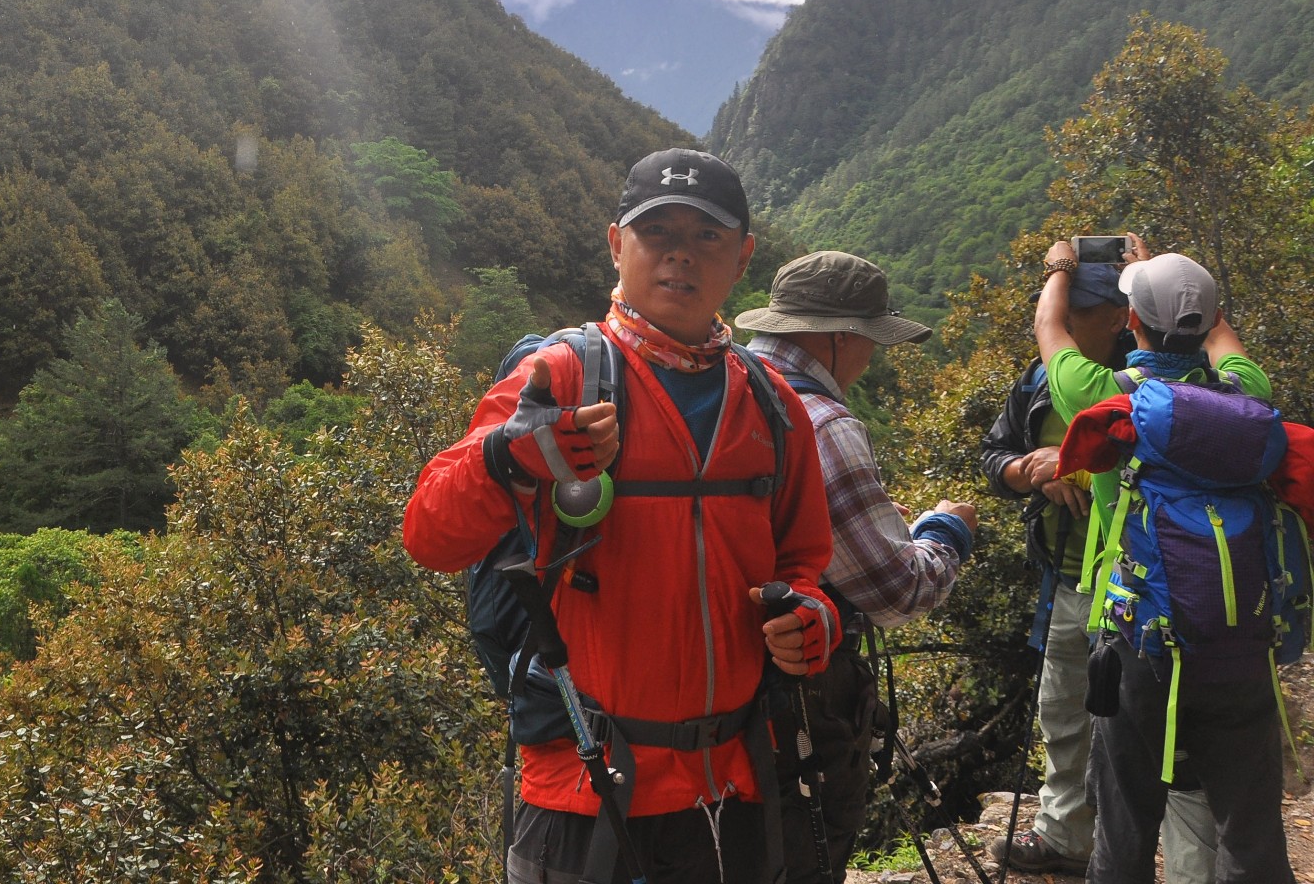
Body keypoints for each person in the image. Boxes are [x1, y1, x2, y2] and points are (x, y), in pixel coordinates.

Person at [403, 148, 839, 884]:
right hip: (586, 786)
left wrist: (812, 619)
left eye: (706, 236)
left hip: (734, 783)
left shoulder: (772, 403)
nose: (679, 255)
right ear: (616, 245)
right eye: (655, 232)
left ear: (743, 257)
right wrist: (509, 460)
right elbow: (429, 533)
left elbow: (804, 560)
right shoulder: (563, 376)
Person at [1047, 249, 1292, 884]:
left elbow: (1050, 328)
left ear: (1131, 321)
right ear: (1209, 317)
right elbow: (1222, 338)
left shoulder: (1108, 399)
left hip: (1138, 638)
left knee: (1126, 822)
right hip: (1241, 640)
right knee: (1251, 825)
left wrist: (1057, 269)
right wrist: (1174, 277)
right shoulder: (1248, 395)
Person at [736, 251, 977, 884]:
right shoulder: (823, 420)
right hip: (798, 695)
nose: (873, 354)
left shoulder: (721, 386)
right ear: (840, 335)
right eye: (870, 338)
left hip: (714, 694)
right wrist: (945, 529)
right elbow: (897, 592)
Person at [982, 244, 1216, 880]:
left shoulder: (1139, 385)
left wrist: (1078, 469)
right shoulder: (1036, 382)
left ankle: (1156, 857)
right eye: (1074, 307)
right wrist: (1018, 473)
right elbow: (992, 454)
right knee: (1063, 709)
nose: (1074, 320)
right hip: (1067, 572)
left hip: (1141, 585)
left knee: (1150, 730)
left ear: (1121, 316)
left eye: (1092, 309)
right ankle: (1065, 835)